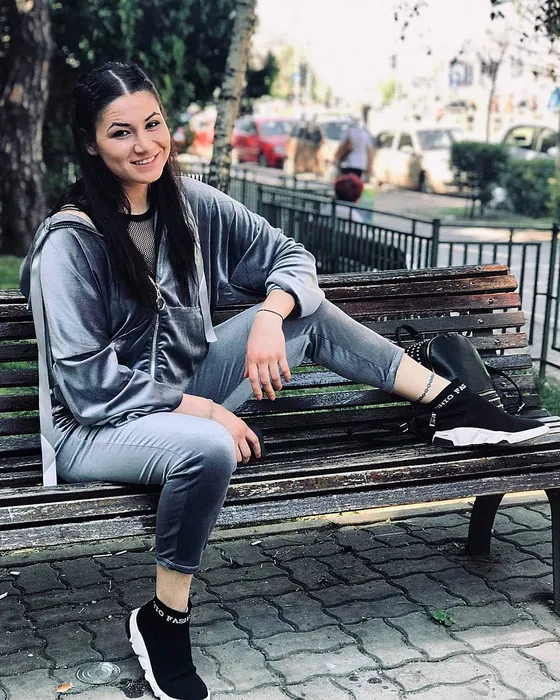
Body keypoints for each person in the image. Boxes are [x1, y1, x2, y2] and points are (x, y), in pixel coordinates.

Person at [19, 62, 549, 700]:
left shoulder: (187, 206)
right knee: (207, 447)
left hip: (181, 396)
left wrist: (271, 313)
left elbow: (292, 256)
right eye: (120, 132)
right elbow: (89, 385)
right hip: (93, 426)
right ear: (90, 144)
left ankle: (450, 405)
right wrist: (207, 412)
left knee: (304, 310)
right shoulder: (70, 242)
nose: (145, 144)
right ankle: (163, 620)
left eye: (153, 124)